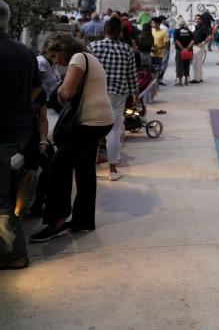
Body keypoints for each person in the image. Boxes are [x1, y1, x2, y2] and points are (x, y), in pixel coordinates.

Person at [33, 33, 114, 242]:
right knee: (84, 169)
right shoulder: (88, 56)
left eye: (54, 55)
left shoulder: (78, 58)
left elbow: (66, 92)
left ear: (63, 49)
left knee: (58, 165)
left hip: (91, 122)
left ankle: (56, 220)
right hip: (101, 120)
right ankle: (83, 220)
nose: (55, 61)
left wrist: (59, 89)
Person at [0, 0, 42, 268]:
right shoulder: (24, 52)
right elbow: (37, 91)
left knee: (1, 198)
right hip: (19, 131)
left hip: (2, 134)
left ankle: (14, 254)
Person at [88, 17, 139, 181]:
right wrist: (135, 94)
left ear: (105, 30)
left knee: (93, 131)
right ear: (120, 32)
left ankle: (90, 169)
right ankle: (113, 170)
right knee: (114, 131)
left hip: (96, 93)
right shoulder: (127, 49)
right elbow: (131, 75)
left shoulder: (93, 47)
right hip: (118, 94)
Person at [191, 14, 212, 84]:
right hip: (195, 46)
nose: (197, 20)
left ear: (201, 20)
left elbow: (210, 36)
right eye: (196, 19)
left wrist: (203, 43)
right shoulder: (196, 27)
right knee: (198, 62)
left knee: (196, 62)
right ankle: (199, 78)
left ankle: (196, 78)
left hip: (199, 46)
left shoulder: (204, 27)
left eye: (198, 19)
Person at [174, 19, 194, 86]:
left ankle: (180, 82)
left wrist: (182, 48)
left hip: (180, 51)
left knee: (179, 65)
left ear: (178, 24)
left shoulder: (177, 31)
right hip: (187, 51)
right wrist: (187, 48)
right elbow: (192, 41)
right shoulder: (189, 31)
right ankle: (186, 81)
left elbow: (177, 41)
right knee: (186, 64)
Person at [150, 18, 169, 85]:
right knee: (151, 70)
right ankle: (151, 84)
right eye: (152, 23)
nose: (152, 24)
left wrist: (158, 49)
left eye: (154, 23)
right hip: (151, 54)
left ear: (158, 24)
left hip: (159, 55)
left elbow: (166, 44)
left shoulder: (163, 32)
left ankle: (157, 83)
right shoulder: (151, 31)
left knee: (157, 70)